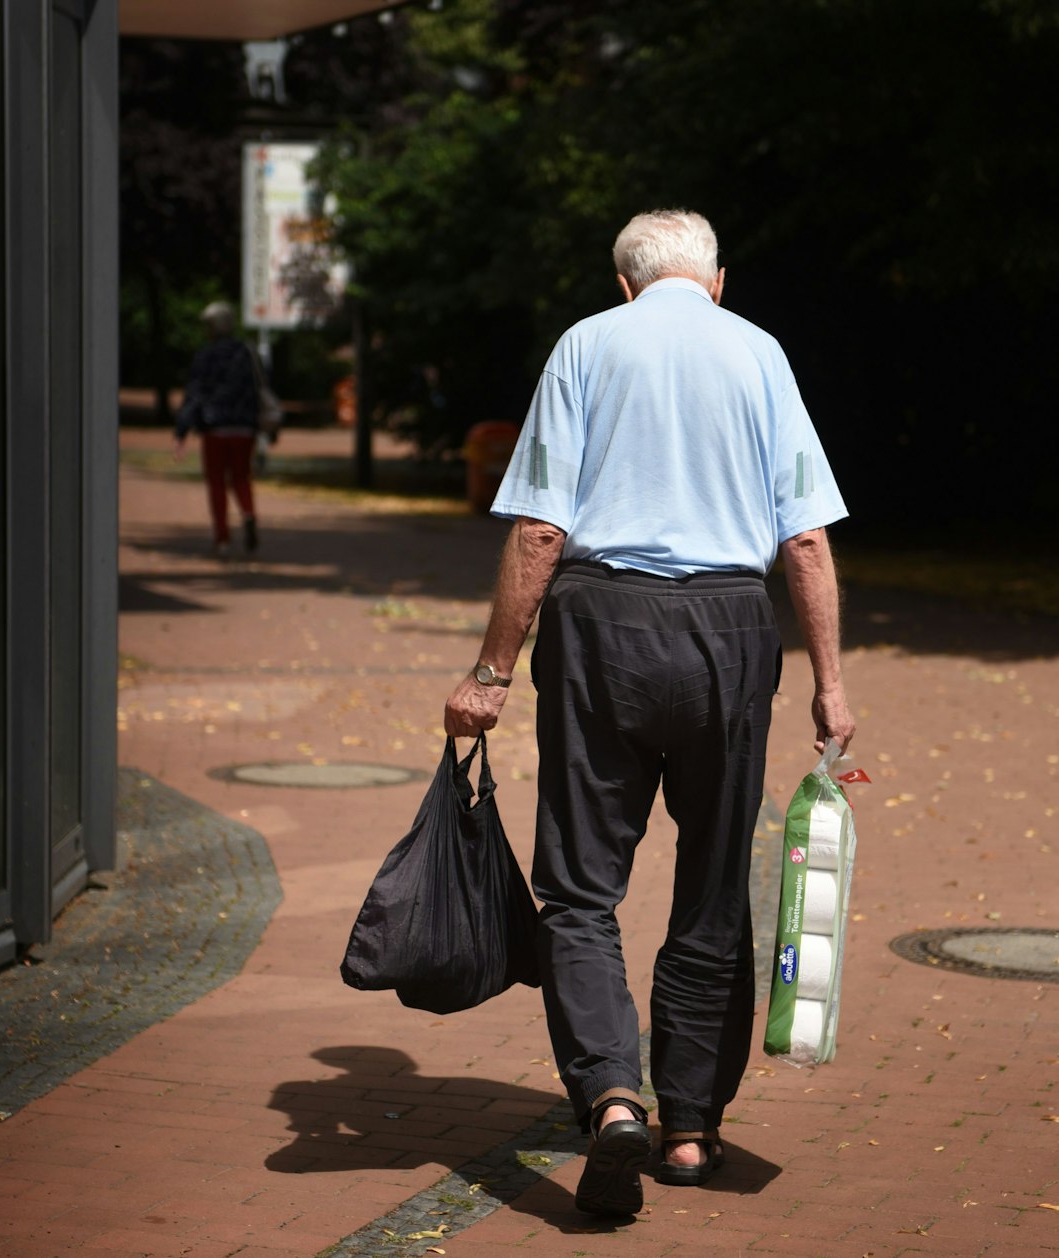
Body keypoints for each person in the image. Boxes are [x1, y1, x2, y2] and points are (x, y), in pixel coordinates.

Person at [443, 209, 855, 1218]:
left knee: (580, 887)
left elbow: (540, 527)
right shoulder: (759, 352)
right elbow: (803, 541)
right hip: (727, 627)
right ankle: (686, 1129)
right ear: (714, 280)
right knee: (713, 882)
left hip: (600, 629)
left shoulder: (586, 344)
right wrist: (830, 685)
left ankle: (610, 1094)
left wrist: (491, 672)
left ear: (625, 285)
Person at [174, 300, 262, 559]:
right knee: (241, 477)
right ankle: (248, 513)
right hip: (245, 429)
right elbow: (259, 388)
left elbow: (195, 394)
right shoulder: (246, 352)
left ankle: (222, 537)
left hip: (216, 427)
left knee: (216, 483)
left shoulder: (206, 355)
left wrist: (182, 431)